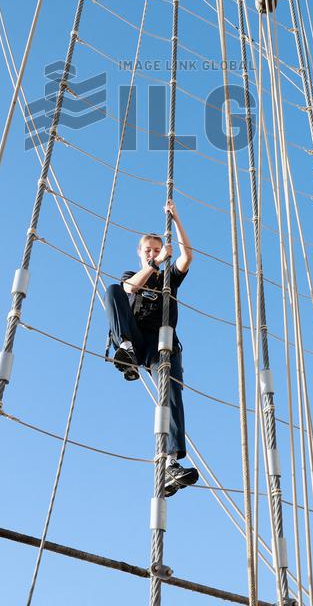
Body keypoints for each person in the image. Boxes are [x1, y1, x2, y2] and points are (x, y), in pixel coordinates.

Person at [105, 200, 199, 497]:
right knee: (113, 291)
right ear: (140, 252)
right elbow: (131, 289)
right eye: (148, 249)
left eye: (157, 250)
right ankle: (126, 350)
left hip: (162, 342)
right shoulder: (133, 275)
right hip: (136, 338)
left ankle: (171, 463)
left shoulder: (168, 277)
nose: (152, 253)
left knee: (171, 392)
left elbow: (188, 256)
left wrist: (176, 218)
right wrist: (153, 265)